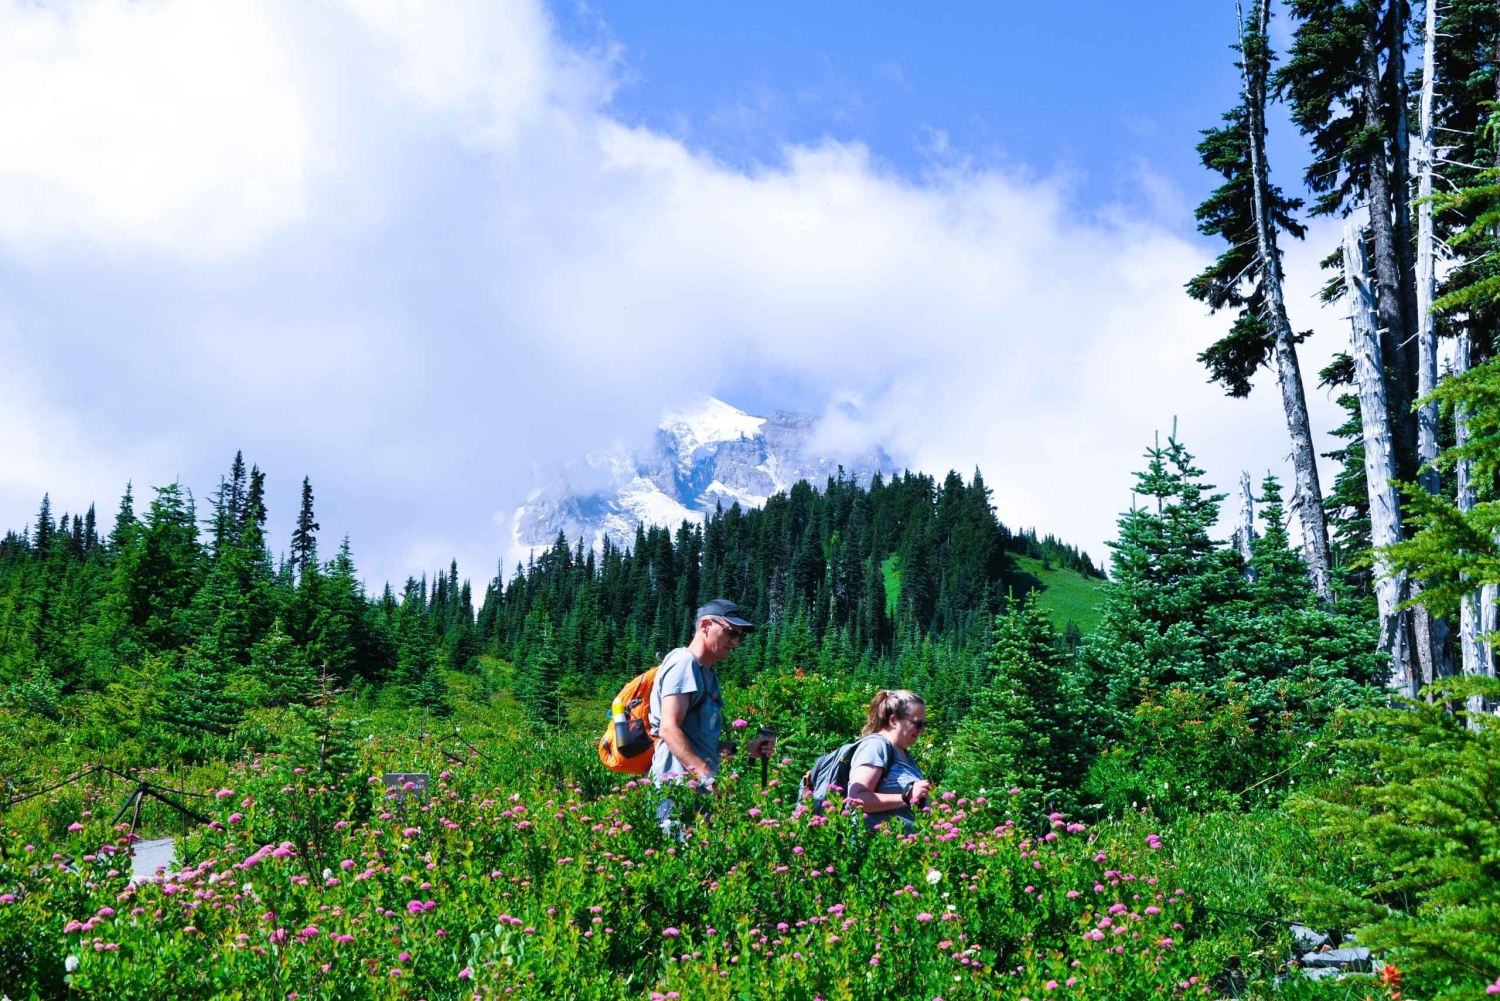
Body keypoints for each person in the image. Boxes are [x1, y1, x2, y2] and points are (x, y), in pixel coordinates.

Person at [649, 599, 775, 804]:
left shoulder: (707, 674)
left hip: (698, 792)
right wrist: (708, 778)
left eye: (739, 637)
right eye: (731, 632)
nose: (735, 642)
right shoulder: (684, 664)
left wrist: (742, 750)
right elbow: (668, 729)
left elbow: (700, 742)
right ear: (705, 625)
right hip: (676, 791)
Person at [846, 689, 931, 832]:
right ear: (893, 720)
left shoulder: (903, 753)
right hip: (875, 848)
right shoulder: (875, 746)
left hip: (903, 849)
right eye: (917, 724)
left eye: (924, 724)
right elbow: (856, 799)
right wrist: (907, 797)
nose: (922, 730)